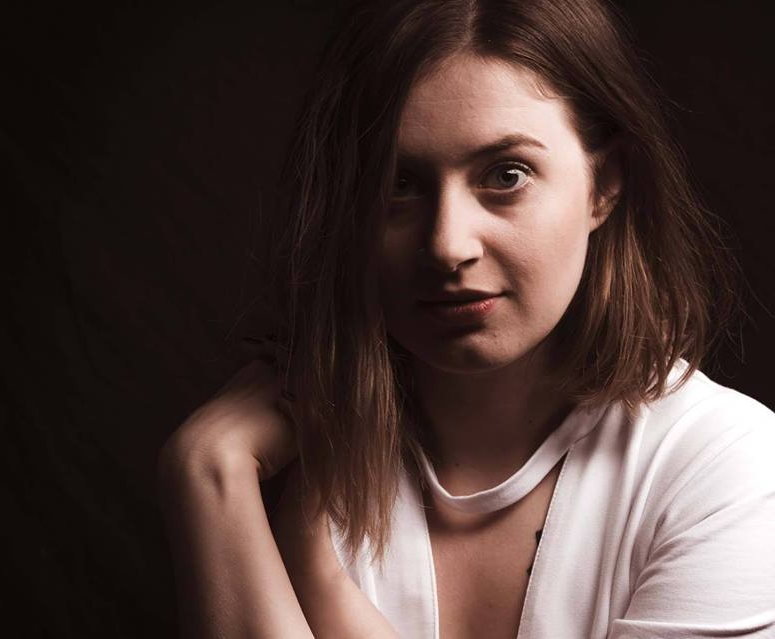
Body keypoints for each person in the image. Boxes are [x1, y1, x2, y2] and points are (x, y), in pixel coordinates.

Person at [157, 0, 775, 637]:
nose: (448, 245)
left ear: (604, 184)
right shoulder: (275, 461)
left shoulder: (725, 471)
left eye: (506, 175)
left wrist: (315, 575)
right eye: (398, 183)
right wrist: (210, 473)